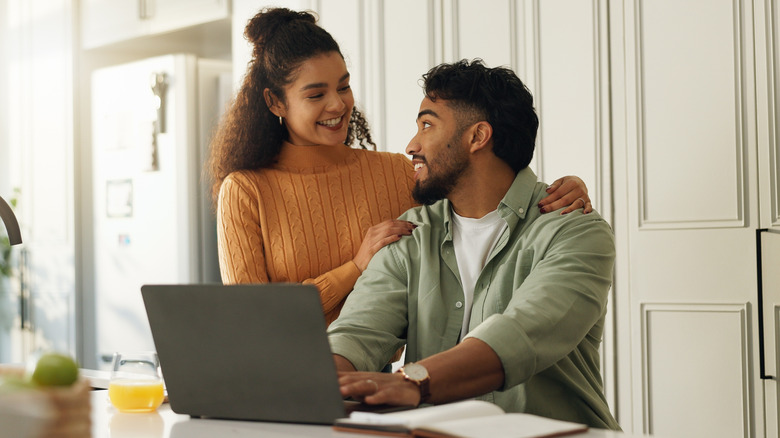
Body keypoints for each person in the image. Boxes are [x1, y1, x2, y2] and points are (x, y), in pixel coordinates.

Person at [206, 7, 592, 327]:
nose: (338, 105)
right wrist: (354, 267)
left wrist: (561, 188)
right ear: (275, 103)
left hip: (375, 384)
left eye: (343, 86)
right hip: (275, 385)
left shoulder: (394, 172)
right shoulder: (245, 190)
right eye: (316, 94)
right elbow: (249, 319)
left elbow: (482, 199)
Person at [328, 59, 620, 430]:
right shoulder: (410, 233)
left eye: (427, 125)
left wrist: (413, 381)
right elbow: (357, 333)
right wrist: (325, 382)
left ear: (477, 137)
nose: (412, 145)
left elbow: (521, 334)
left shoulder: (575, 232)